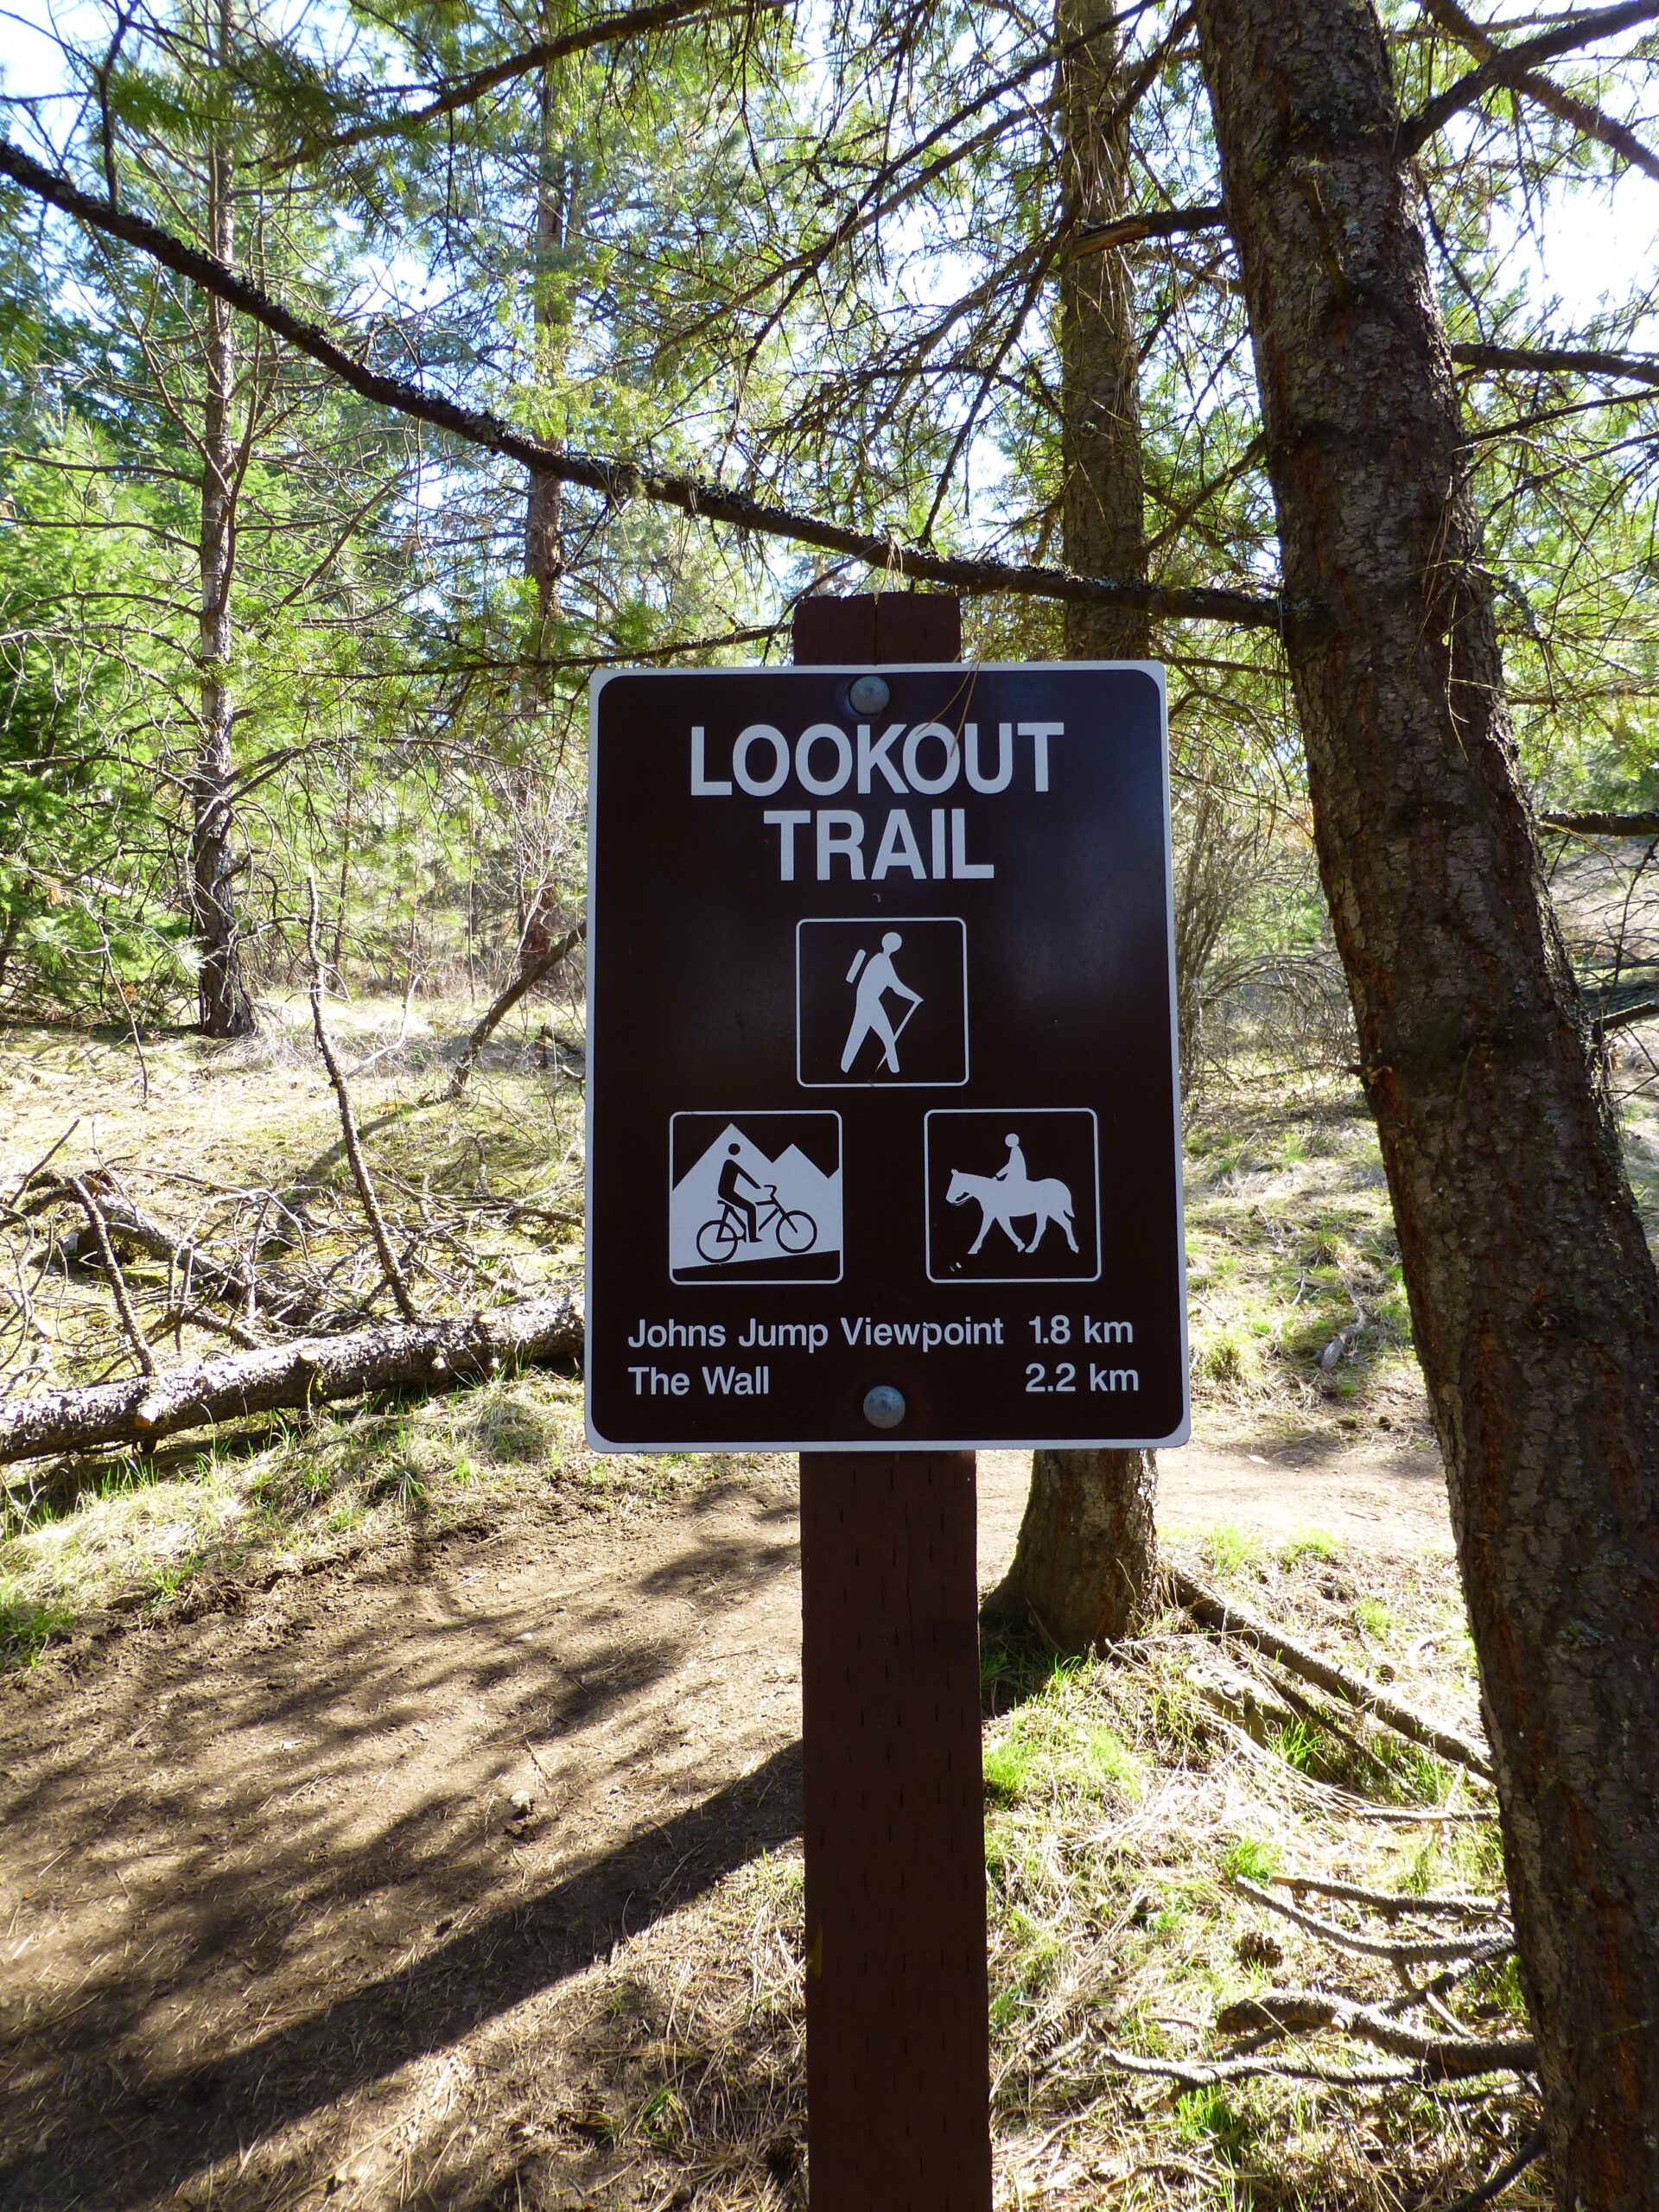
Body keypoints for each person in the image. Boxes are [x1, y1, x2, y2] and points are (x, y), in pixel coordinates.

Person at [840, 931, 923, 1075]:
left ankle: (844, 1068)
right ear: (885, 943)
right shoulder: (881, 960)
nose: (891, 946)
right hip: (869, 1001)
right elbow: (896, 987)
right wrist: (915, 997)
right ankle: (895, 1071)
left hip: (865, 1000)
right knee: (887, 1037)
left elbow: (895, 986)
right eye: (890, 943)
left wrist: (914, 997)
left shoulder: (880, 960)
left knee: (858, 1033)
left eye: (894, 944)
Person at [716, 1143, 767, 1243]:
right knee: (751, 1208)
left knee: (749, 1207)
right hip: (726, 1193)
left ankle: (746, 1231)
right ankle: (752, 1237)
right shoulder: (730, 1163)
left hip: (727, 1192)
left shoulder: (730, 1163)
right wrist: (757, 1186)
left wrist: (757, 1186)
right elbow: (744, 1175)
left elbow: (744, 1174)